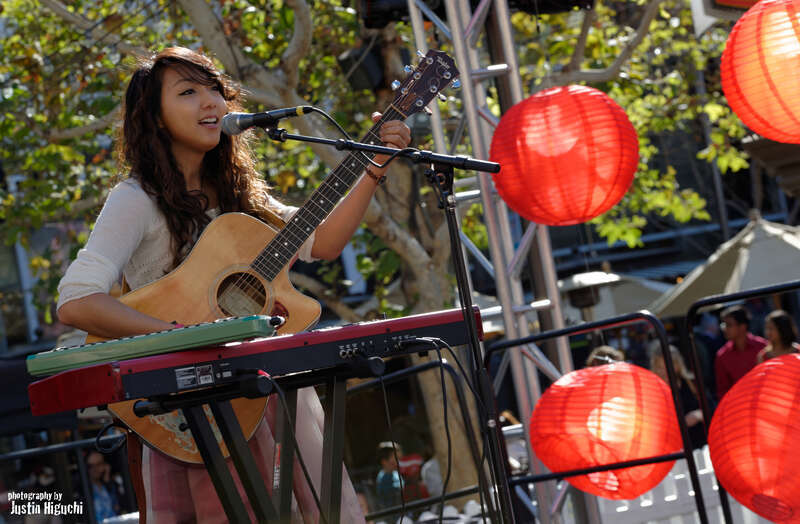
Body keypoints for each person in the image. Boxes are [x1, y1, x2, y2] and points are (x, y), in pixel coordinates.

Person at [56, 47, 410, 523]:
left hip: (266, 394)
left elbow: (322, 241)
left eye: (216, 91)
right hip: (192, 406)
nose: (212, 103)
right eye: (188, 92)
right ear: (155, 119)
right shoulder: (135, 199)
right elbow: (76, 302)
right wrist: (179, 337)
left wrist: (375, 166)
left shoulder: (239, 196)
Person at [651, 345, 714, 450]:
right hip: (675, 450)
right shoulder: (654, 391)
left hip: (703, 445)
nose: (664, 371)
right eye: (660, 367)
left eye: (668, 366)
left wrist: (699, 414)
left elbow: (712, 408)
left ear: (677, 365)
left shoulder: (691, 383)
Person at [714, 305, 768, 400]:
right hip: (739, 405)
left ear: (742, 327)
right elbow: (723, 391)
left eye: (729, 325)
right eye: (723, 325)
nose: (724, 329)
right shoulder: (722, 355)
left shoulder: (763, 347)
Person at [86, 451, 121, 522]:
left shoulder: (111, 485)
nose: (95, 469)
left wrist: (108, 480)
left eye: (98, 464)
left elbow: (119, 507)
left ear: (105, 465)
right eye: (91, 466)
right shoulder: (84, 490)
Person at [375, 441, 403, 510]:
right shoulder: (383, 479)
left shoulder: (396, 474)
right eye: (395, 459)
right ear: (384, 461)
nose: (398, 463)